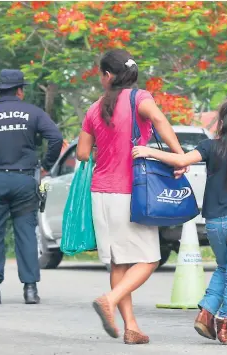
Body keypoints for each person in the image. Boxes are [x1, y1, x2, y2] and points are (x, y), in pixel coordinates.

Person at [76, 49, 185, 345]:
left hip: (101, 193)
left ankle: (132, 327)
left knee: (119, 264)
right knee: (150, 259)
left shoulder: (93, 109)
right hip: (130, 193)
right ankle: (109, 300)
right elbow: (160, 121)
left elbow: (83, 154)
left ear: (107, 76)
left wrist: (107, 147)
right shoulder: (140, 99)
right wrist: (179, 156)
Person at [132, 99, 227, 345]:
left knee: (224, 268)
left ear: (224, 122)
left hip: (213, 223)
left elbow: (181, 161)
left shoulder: (211, 147)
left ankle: (206, 313)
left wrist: (149, 151)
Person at [0, 69, 63, 305]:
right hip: (24, 180)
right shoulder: (33, 113)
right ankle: (30, 290)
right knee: (26, 233)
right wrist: (46, 166)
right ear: (20, 90)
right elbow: (55, 138)